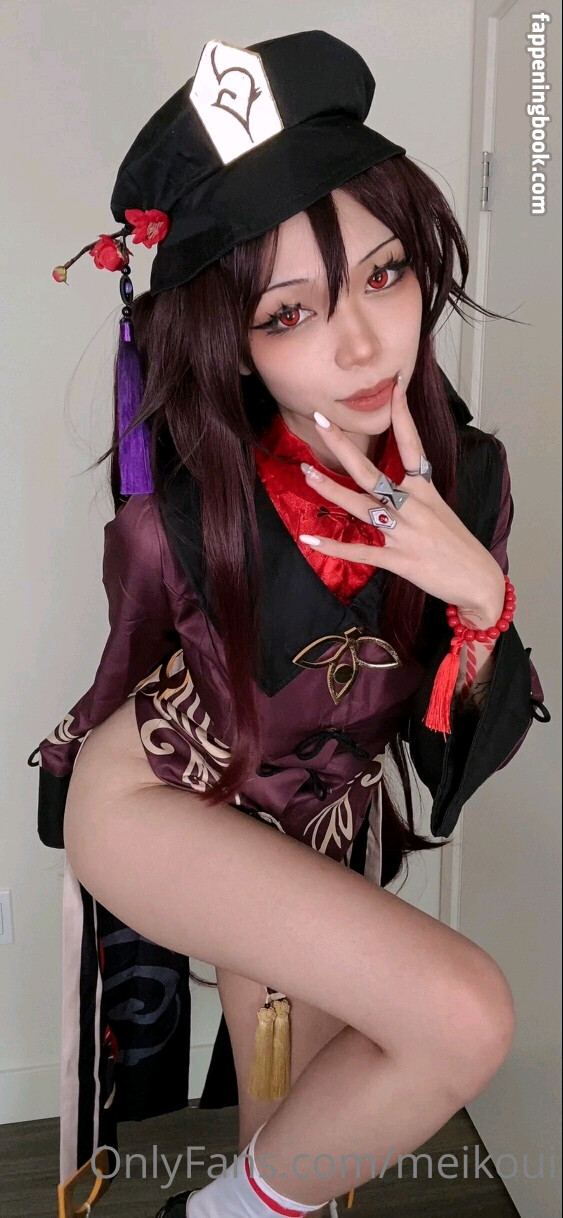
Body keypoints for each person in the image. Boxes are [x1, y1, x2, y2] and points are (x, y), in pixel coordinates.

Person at [28, 29, 550, 1218]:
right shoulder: (180, 516)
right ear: (233, 340)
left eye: (383, 276)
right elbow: (124, 672)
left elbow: (449, 752)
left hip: (322, 822)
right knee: (461, 1014)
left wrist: (479, 599)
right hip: (170, 800)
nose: (360, 343)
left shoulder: (468, 478)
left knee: (295, 1141)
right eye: (289, 312)